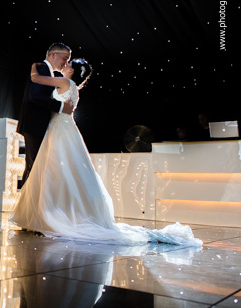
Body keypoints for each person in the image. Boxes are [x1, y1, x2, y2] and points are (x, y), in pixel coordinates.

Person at [11, 58, 202, 247]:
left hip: (58, 131)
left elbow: (36, 79)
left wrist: (34, 66)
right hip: (65, 130)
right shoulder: (74, 88)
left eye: (68, 64)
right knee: (64, 172)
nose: (65, 64)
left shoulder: (64, 82)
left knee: (53, 171)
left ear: (73, 71)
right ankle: (58, 212)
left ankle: (50, 214)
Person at [17, 43, 75, 184]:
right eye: (65, 58)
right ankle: (28, 203)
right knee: (34, 165)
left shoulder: (44, 71)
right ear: (54, 54)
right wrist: (61, 106)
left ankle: (29, 202)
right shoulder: (42, 69)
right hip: (34, 124)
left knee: (35, 165)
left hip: (37, 125)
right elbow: (35, 96)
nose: (66, 63)